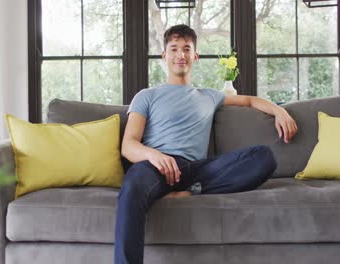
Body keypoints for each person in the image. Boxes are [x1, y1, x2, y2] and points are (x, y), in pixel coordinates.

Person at [114, 24, 297, 264]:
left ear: (195, 56)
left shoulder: (209, 96)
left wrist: (278, 110)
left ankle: (189, 192)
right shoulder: (146, 96)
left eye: (187, 49)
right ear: (164, 56)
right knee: (132, 186)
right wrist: (153, 156)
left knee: (264, 157)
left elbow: (250, 101)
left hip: (195, 170)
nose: (181, 54)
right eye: (174, 49)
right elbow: (128, 145)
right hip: (154, 166)